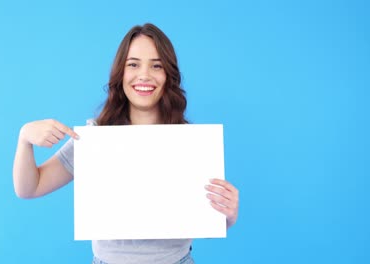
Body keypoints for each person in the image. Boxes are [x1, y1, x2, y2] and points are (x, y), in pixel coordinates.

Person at [13, 23, 239, 264]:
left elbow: (207, 220)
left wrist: (228, 214)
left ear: (168, 75)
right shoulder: (95, 140)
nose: (144, 75)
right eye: (133, 64)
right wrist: (24, 138)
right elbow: (30, 188)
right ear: (120, 72)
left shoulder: (190, 142)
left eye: (156, 65)